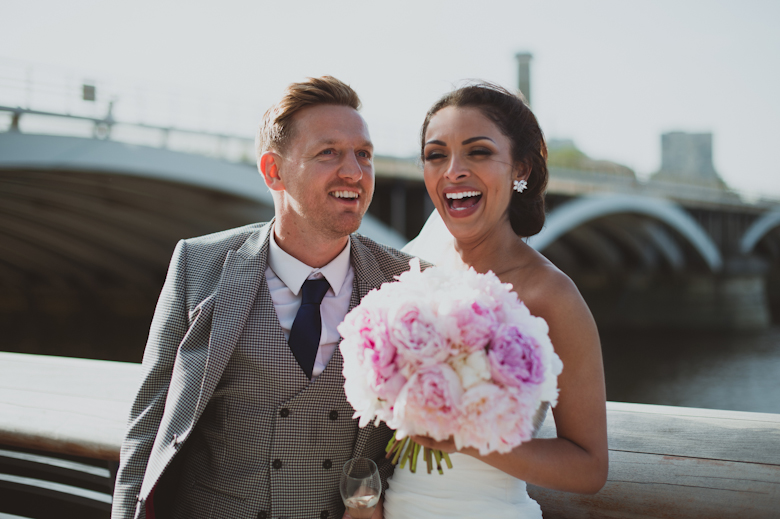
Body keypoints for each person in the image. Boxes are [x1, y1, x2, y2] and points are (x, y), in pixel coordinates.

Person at [111, 76, 419, 519]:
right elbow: (148, 420)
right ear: (274, 170)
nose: (354, 171)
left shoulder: (406, 284)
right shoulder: (198, 265)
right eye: (328, 152)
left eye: (364, 154)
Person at [384, 83, 608, 518]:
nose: (453, 171)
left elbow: (589, 467)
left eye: (478, 152)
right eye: (435, 155)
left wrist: (466, 438)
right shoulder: (413, 268)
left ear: (520, 167)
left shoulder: (551, 295)